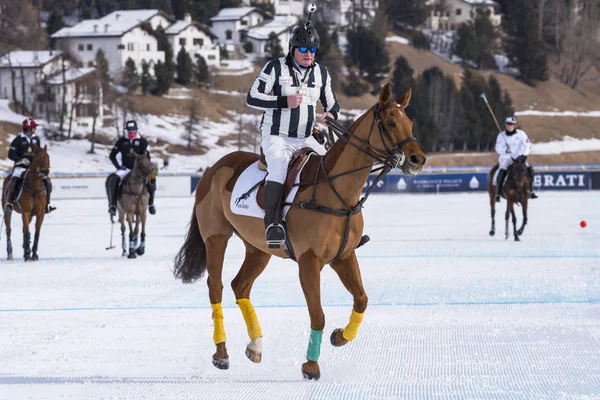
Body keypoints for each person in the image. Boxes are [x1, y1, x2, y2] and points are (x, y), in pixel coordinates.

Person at [246, 6, 340, 248]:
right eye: (304, 49)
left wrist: (331, 113)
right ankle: (273, 224)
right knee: (278, 168)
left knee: (332, 169)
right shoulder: (275, 68)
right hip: (276, 136)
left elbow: (332, 102)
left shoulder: (322, 73)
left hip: (307, 136)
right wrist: (282, 101)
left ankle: (340, 226)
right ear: (293, 49)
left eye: (313, 50)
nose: (309, 54)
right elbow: (252, 97)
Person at [4, 118, 56, 213]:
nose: (35, 129)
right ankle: (9, 203)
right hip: (21, 166)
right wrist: (21, 160)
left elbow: (38, 153)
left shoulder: (36, 139)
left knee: (47, 181)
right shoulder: (18, 140)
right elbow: (11, 155)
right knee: (14, 180)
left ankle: (47, 204)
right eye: (34, 127)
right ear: (28, 128)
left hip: (34, 168)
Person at [106, 120, 156, 216]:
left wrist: (147, 169)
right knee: (113, 180)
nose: (131, 132)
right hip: (126, 169)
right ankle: (112, 205)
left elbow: (147, 156)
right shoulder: (121, 141)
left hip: (141, 170)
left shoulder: (143, 142)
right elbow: (112, 155)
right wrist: (118, 166)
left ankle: (151, 204)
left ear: (136, 130)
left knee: (152, 180)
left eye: (133, 130)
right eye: (129, 130)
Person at [494, 116, 538, 202]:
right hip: (507, 158)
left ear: (514, 125)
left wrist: (524, 155)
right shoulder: (501, 135)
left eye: (511, 124)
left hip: (520, 158)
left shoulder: (521, 134)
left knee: (530, 170)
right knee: (501, 171)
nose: (509, 126)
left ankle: (531, 191)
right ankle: (498, 193)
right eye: (507, 124)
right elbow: (497, 148)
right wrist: (505, 150)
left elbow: (527, 146)